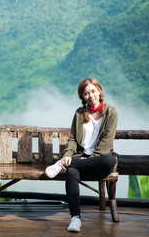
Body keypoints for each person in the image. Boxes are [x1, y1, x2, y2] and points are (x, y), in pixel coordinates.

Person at [45, 78, 118, 232]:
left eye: (93, 91)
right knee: (71, 172)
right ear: (82, 97)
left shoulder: (111, 112)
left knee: (109, 160)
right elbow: (72, 140)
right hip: (80, 157)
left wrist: (86, 160)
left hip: (99, 160)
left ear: (99, 91)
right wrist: (68, 155)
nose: (90, 95)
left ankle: (61, 165)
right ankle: (75, 218)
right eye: (86, 93)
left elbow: (106, 143)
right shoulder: (79, 113)